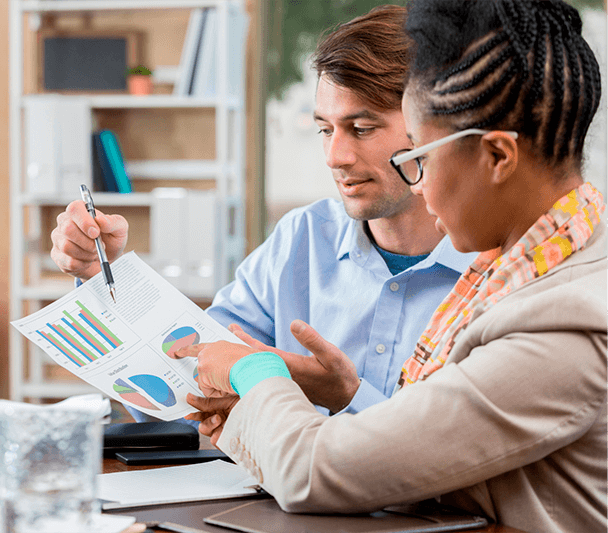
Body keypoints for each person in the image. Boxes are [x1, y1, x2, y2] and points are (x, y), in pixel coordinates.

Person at [173, 0, 607, 531]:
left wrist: (251, 368)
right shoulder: (522, 267)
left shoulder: (565, 323)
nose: (418, 185)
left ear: (497, 157)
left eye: (419, 155)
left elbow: (314, 469)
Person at [51, 6, 474, 419]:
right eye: (326, 130)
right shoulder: (302, 239)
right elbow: (184, 385)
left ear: (432, 128)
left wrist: (346, 396)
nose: (335, 156)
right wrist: (103, 277)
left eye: (362, 129)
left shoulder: (499, 272)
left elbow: (463, 459)